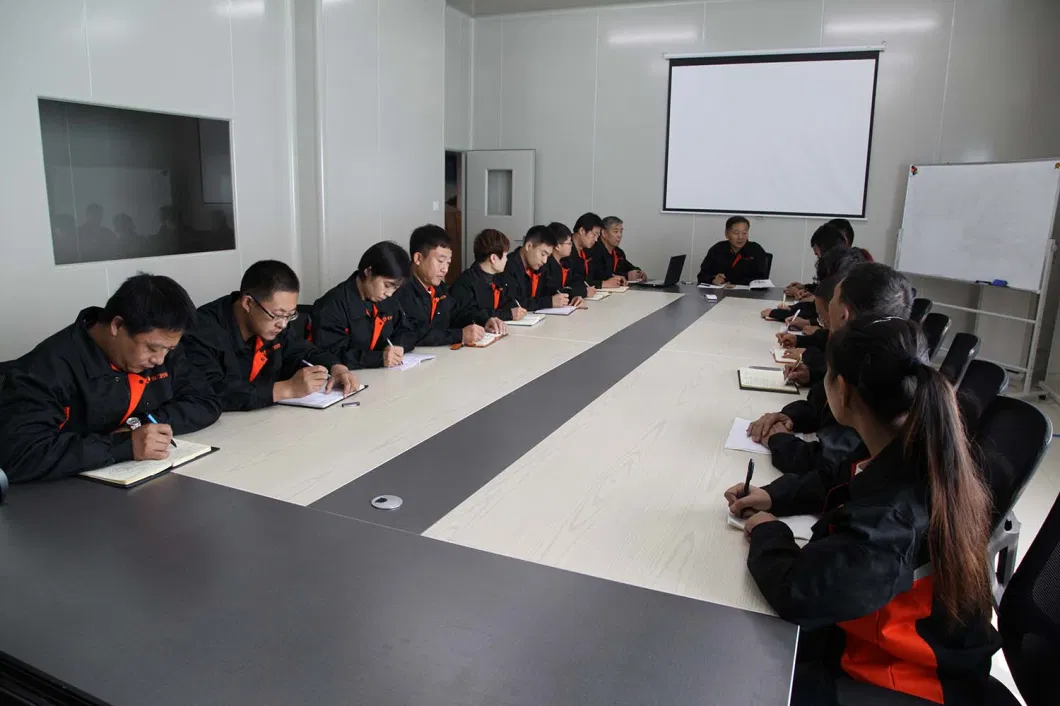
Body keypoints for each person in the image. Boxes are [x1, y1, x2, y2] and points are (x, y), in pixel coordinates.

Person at [727, 317, 999, 705]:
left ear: (843, 391)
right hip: (881, 633)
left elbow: (798, 593)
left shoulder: (890, 519)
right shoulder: (913, 444)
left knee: (736, 671)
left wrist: (769, 531)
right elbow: (841, 475)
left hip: (903, 676)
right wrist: (775, 496)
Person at [0, 274, 221, 483]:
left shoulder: (162, 350)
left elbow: (206, 401)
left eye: (169, 349)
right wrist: (124, 445)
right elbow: (19, 454)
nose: (160, 360)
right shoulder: (48, 368)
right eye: (152, 348)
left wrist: (141, 425)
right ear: (117, 326)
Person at [182, 260, 360, 411]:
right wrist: (285, 389)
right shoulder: (202, 330)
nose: (283, 324)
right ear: (248, 303)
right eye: (277, 314)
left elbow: (304, 350)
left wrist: (337, 368)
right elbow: (211, 391)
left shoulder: (273, 325)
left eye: (290, 315)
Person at [312, 241, 415, 369]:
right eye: (387, 285)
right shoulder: (330, 306)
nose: (389, 293)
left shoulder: (386, 299)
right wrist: (378, 358)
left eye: (395, 288)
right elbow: (330, 355)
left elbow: (406, 331)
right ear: (368, 271)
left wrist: (397, 345)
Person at [394, 225, 489, 347]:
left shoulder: (439, 288)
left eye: (448, 263)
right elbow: (414, 333)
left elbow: (457, 312)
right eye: (440, 261)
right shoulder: (400, 289)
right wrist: (459, 335)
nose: (445, 269)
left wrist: (485, 321)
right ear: (418, 258)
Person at [450, 229, 522, 327]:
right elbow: (471, 315)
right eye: (505, 255)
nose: (507, 259)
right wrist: (507, 314)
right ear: (493, 258)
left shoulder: (498, 278)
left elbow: (508, 301)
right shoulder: (465, 283)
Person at [501, 225, 570, 311]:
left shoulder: (541, 267)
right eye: (543, 254)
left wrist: (568, 298)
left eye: (548, 256)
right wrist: (548, 302)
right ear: (529, 246)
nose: (545, 260)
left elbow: (551, 290)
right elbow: (513, 303)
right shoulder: (507, 266)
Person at [697, 216, 768, 286]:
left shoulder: (756, 250)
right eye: (736, 233)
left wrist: (735, 283)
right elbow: (702, 275)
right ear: (727, 234)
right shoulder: (717, 249)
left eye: (744, 233)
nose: (740, 237)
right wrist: (713, 279)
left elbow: (762, 280)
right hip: (720, 293)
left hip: (748, 294)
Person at [568, 212, 625, 289]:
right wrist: (602, 284)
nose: (596, 240)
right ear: (582, 231)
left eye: (597, 236)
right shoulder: (565, 249)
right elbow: (568, 283)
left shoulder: (589, 250)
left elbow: (589, 279)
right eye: (594, 234)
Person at [541, 221, 593, 304]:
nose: (571, 246)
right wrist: (582, 292)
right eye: (569, 243)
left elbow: (576, 281)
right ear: (557, 246)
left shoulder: (566, 262)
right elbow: (555, 291)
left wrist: (576, 295)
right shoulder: (545, 264)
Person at [592, 216, 646, 283]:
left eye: (621, 231)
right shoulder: (594, 250)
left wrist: (638, 273)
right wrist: (626, 275)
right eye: (616, 231)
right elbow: (602, 276)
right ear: (603, 233)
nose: (619, 235)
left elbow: (629, 267)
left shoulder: (618, 252)